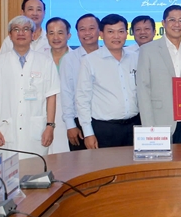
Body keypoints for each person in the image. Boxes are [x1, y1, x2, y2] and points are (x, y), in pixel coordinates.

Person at [0, 16, 60, 158]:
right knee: (7, 170)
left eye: (26, 29)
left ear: (33, 35)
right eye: (16, 29)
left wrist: (50, 126)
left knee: (35, 169)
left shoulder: (45, 62)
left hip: (36, 131)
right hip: (5, 132)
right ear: (10, 35)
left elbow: (51, 96)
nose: (21, 33)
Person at [137, 5, 181, 143]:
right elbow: (143, 90)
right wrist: (148, 127)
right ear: (163, 23)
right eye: (172, 20)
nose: (177, 24)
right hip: (158, 122)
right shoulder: (148, 50)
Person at [76, 14, 140, 148]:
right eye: (110, 32)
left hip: (135, 127)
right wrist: (88, 133)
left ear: (126, 34)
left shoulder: (136, 58)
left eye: (121, 31)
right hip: (104, 129)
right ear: (101, 34)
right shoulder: (90, 61)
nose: (116, 36)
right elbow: (82, 99)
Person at [60, 13, 101, 151]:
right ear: (77, 33)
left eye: (91, 28)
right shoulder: (69, 59)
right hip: (80, 121)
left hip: (105, 121)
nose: (87, 33)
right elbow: (66, 92)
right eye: (82, 29)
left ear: (100, 31)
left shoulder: (108, 56)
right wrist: (70, 125)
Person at [44, 18, 72, 154]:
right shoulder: (38, 59)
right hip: (43, 118)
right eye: (51, 33)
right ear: (46, 36)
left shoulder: (79, 59)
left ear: (68, 35)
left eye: (60, 33)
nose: (56, 37)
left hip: (69, 120)